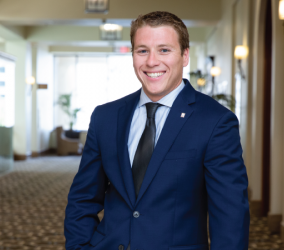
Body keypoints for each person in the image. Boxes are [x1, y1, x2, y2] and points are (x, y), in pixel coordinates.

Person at [64, 11, 249, 250]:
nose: (151, 61)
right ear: (133, 55)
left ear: (184, 56)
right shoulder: (106, 117)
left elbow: (230, 215)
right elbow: (83, 198)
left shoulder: (216, 121)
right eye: (142, 50)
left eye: (164, 50)